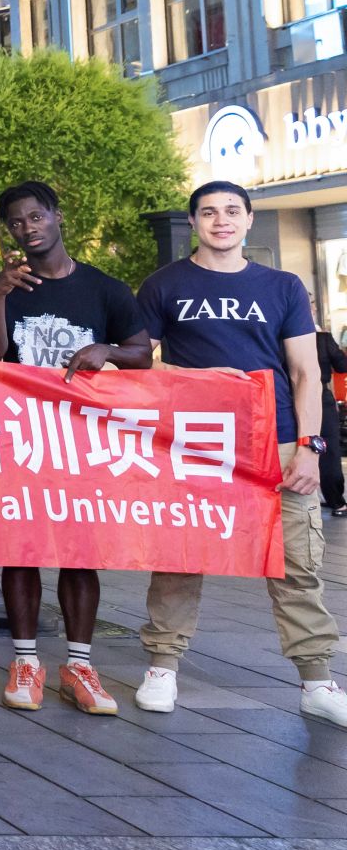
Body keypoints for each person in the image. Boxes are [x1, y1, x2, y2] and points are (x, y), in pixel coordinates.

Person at [134, 181, 347, 726]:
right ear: (194, 222)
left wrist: (311, 447)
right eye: (208, 212)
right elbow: (137, 363)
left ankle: (317, 680)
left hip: (276, 439)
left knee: (297, 563)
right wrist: (195, 375)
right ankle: (162, 666)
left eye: (232, 211)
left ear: (250, 219)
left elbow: (306, 373)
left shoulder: (282, 285)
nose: (221, 220)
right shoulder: (164, 284)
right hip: (196, 442)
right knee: (181, 556)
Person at [0, 181, 150, 715]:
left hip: (81, 442)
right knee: (21, 549)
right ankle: (26, 661)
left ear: (57, 216)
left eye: (36, 217)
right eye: (16, 222)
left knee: (80, 552)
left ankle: (80, 665)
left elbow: (142, 353)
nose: (27, 228)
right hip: (21, 438)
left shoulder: (105, 289)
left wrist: (106, 350)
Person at [311, 294, 346, 518]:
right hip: (319, 397)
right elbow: (342, 366)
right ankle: (337, 502)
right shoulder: (322, 338)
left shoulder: (280, 336)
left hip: (287, 398)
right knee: (328, 449)